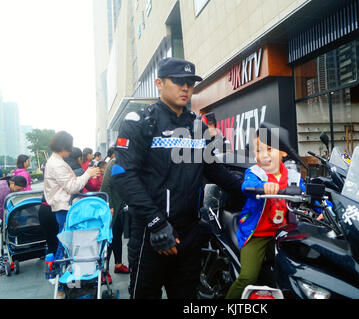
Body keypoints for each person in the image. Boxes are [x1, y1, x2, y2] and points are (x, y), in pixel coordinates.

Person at [111, 57, 245, 299]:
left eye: (191, 83)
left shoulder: (197, 126)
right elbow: (122, 175)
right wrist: (156, 223)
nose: (186, 88)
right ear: (159, 83)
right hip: (151, 233)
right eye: (179, 81)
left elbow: (213, 169)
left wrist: (249, 189)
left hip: (190, 233)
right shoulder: (139, 123)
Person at [225, 127, 303, 299]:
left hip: (282, 235)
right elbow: (246, 186)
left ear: (282, 152)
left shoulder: (292, 176)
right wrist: (262, 186)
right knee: (247, 277)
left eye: (269, 148)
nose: (264, 154)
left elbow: (305, 193)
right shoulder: (255, 173)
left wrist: (321, 207)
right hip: (257, 235)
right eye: (259, 150)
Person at [43, 131, 99, 298]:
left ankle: (61, 278)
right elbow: (72, 187)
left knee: (65, 241)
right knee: (65, 242)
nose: (72, 148)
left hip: (63, 207)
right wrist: (87, 174)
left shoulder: (55, 161)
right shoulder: (58, 164)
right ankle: (58, 277)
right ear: (64, 146)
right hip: (64, 207)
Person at [100, 157, 130, 285]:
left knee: (118, 237)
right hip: (114, 207)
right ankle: (104, 271)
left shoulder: (134, 159)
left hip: (127, 207)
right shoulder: (114, 162)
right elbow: (105, 186)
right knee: (110, 239)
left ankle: (118, 264)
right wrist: (110, 205)